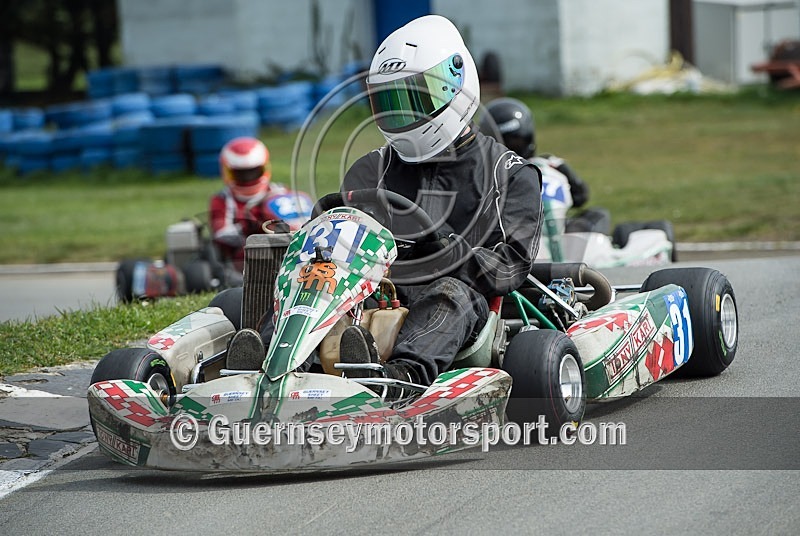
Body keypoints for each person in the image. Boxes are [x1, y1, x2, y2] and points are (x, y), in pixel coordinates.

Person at [227, 15, 543, 388]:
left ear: (456, 84)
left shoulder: (510, 174)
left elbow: (509, 266)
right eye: (390, 102)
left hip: (458, 302)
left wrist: (446, 254)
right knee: (315, 278)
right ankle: (271, 365)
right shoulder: (371, 169)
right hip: (372, 291)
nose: (403, 114)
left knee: (449, 295)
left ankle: (399, 378)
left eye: (414, 99)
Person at [478, 97, 611, 239]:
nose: (511, 150)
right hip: (516, 234)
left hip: (559, 232)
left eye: (516, 141)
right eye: (504, 144)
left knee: (598, 215)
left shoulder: (549, 164)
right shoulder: (488, 176)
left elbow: (581, 197)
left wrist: (564, 171)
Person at [209, 136, 312, 272]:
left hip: (294, 244)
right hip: (250, 255)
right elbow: (221, 235)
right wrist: (250, 225)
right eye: (241, 174)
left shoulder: (280, 192)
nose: (248, 178)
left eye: (254, 171)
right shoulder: (224, 199)